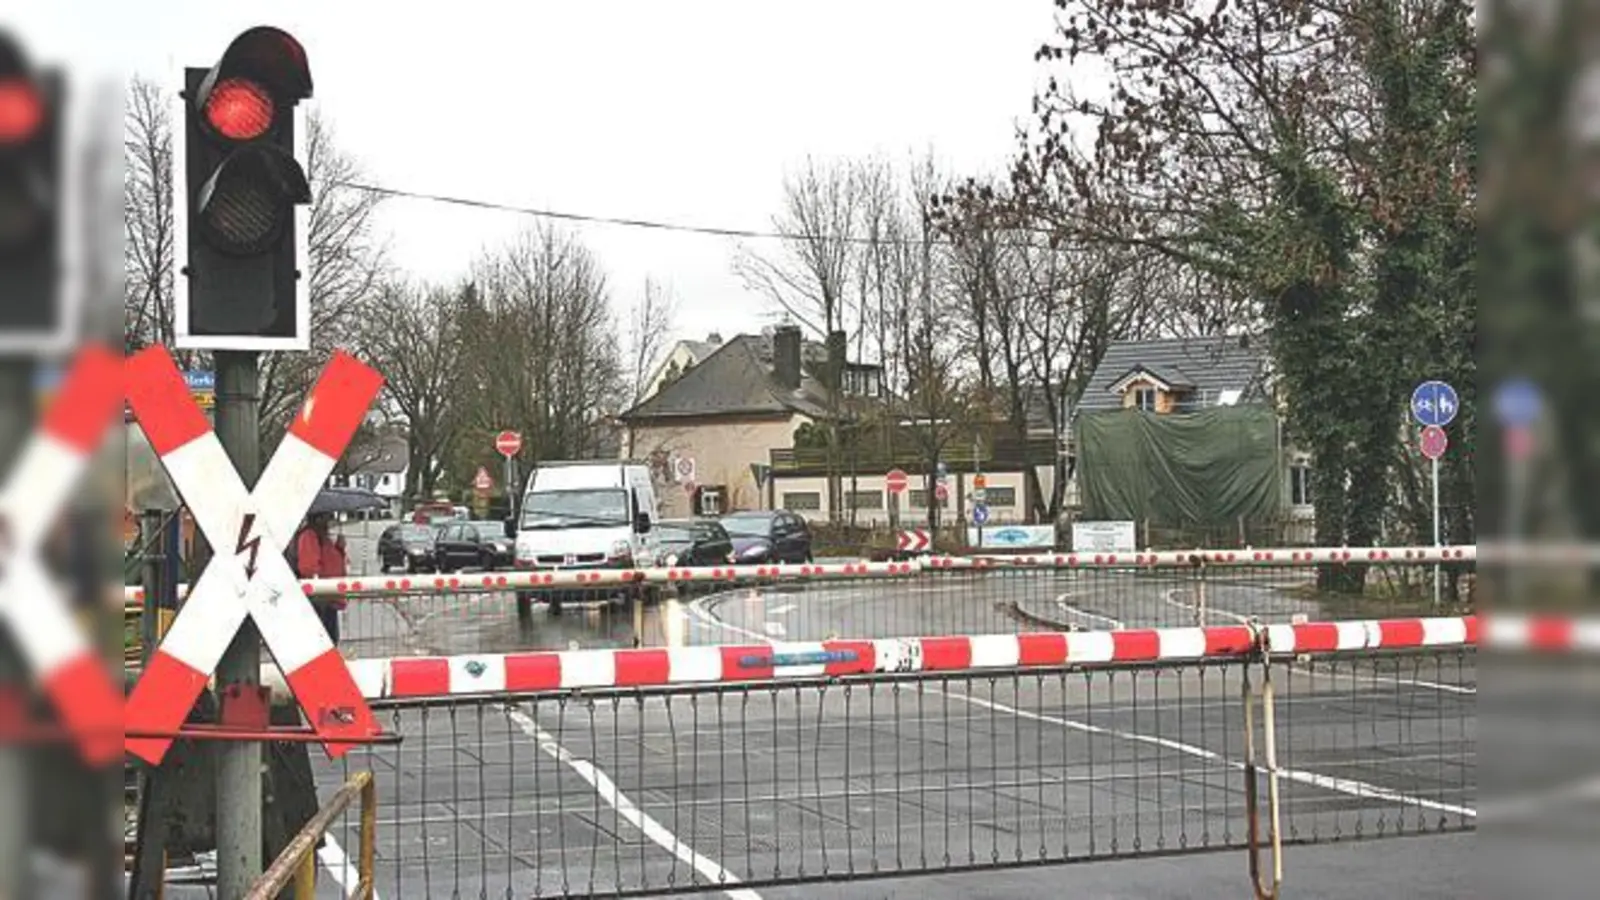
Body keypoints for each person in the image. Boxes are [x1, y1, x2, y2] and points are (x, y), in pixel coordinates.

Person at [294, 511, 348, 644]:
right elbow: (308, 567)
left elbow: (331, 562)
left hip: (328, 596)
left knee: (330, 639)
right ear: (318, 518)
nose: (329, 521)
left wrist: (339, 548)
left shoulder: (321, 536)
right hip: (320, 599)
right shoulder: (309, 536)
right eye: (327, 517)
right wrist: (318, 585)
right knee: (323, 641)